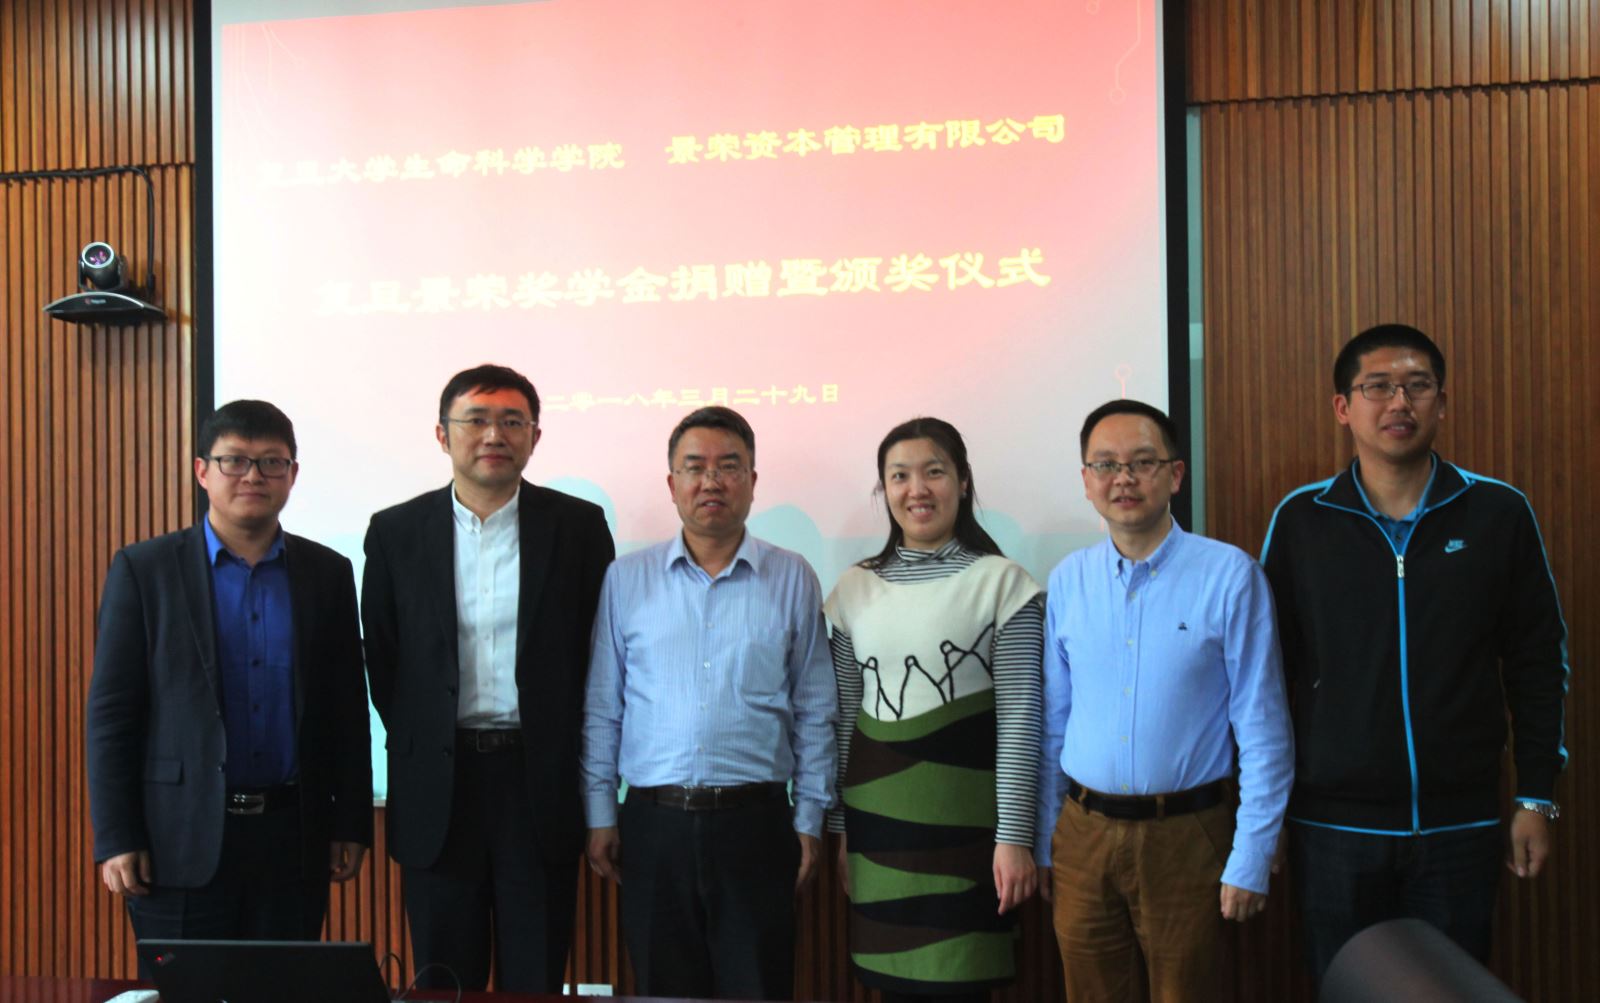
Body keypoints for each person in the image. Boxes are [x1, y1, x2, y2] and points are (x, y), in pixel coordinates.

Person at [1260, 323, 1568, 983]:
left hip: (1462, 823)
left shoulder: (1496, 512)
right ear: (1343, 407)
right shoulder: (1303, 520)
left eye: (1417, 386)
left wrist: (1536, 796)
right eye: (1377, 386)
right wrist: (1264, 816)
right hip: (1333, 828)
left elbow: (1538, 663)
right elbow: (1267, 679)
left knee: (1452, 991)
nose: (1399, 402)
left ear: (1442, 402)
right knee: (1346, 987)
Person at [86, 400, 371, 964]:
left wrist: (351, 823)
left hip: (293, 838)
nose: (253, 476)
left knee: (281, 992)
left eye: (271, 462)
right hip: (177, 838)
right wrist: (116, 835)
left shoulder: (327, 573)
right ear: (202, 471)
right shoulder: (145, 570)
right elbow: (112, 715)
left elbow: (346, 711)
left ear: (293, 474)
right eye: (234, 460)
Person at [361, 364, 615, 993]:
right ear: (442, 435)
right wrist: (427, 736)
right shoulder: (395, 532)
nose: (494, 435)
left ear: (534, 436)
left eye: (511, 421)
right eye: (475, 420)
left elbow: (598, 653)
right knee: (446, 978)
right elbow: (385, 659)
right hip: (439, 787)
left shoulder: (578, 527)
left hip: (538, 780)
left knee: (536, 974)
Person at [1036, 399, 1293, 1003]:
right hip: (1083, 835)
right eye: (1105, 465)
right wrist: (1049, 837)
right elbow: (1054, 724)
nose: (1123, 478)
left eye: (1142, 462)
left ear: (1175, 475)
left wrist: (1252, 854)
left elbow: (1263, 729)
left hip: (1187, 836)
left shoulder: (1230, 576)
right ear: (1086, 481)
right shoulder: (1069, 580)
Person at [581, 406, 838, 1001]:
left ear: (752, 480)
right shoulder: (626, 579)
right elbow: (603, 708)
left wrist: (809, 819)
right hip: (653, 826)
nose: (711, 481)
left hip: (757, 825)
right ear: (672, 483)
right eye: (694, 467)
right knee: (664, 989)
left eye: (729, 466)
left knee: (759, 986)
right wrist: (599, 814)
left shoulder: (792, 577)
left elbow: (814, 709)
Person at [824, 417, 1043, 1003]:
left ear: (963, 481)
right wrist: (842, 832)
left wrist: (1014, 838)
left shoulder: (1005, 584)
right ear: (884, 489)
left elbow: (1021, 721)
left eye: (934, 472)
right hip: (878, 828)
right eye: (899, 476)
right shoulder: (852, 590)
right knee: (891, 983)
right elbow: (844, 720)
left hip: (973, 832)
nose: (916, 489)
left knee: (962, 984)